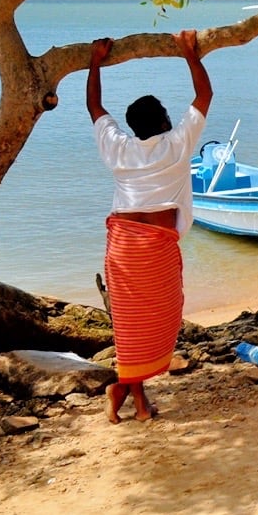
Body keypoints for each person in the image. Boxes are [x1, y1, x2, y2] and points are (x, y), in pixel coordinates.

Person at [87, 29, 212, 424]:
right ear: (162, 120)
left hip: (125, 245)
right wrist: (189, 54)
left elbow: (94, 106)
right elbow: (204, 96)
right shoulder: (177, 145)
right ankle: (135, 400)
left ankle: (127, 393)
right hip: (152, 247)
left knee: (135, 327)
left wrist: (95, 61)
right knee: (150, 323)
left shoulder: (119, 148)